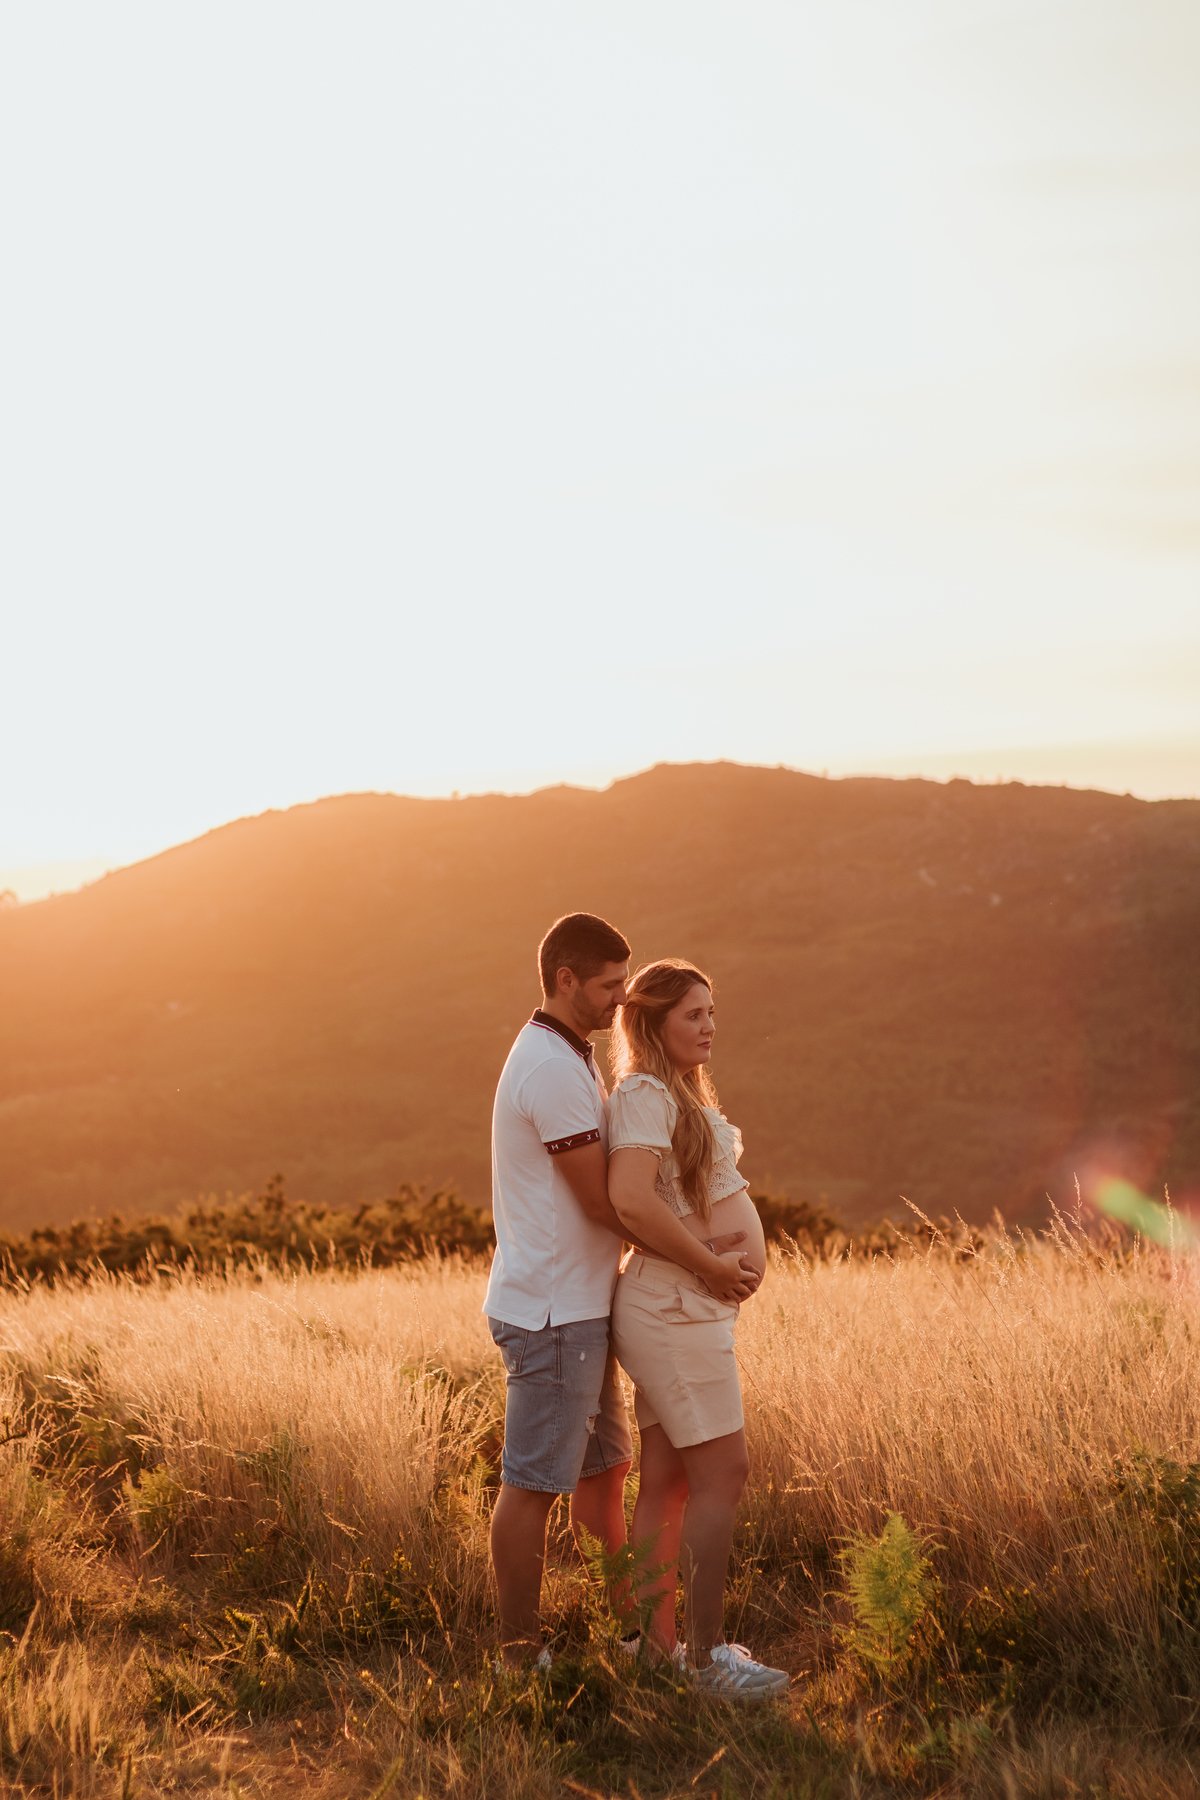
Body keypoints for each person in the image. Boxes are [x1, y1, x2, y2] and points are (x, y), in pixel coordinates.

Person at [484, 915, 758, 1669]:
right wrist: (700, 1259)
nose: (617, 1000)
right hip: (553, 1312)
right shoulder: (548, 1068)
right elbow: (612, 1204)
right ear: (564, 979)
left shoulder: (569, 1056)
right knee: (532, 1486)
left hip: (584, 1303)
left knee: (605, 1477)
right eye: (607, 986)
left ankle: (638, 1637)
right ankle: (519, 1657)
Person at [607, 958, 789, 1701]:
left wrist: (713, 1273)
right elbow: (631, 1201)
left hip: (678, 1306)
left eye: (712, 1013)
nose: (709, 1026)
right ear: (652, 1022)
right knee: (725, 1473)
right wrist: (712, 1269)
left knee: (673, 1479)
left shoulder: (672, 1095)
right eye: (692, 1015)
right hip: (676, 1308)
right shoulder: (648, 1093)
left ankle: (660, 1655)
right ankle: (709, 1661)